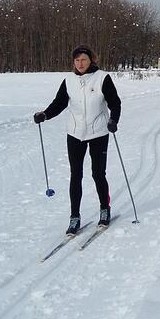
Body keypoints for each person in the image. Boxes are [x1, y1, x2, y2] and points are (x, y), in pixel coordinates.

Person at [34, 45, 121, 235]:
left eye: (83, 59)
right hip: (75, 134)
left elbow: (115, 102)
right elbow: (59, 103)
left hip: (99, 132)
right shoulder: (69, 80)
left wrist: (114, 120)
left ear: (91, 60)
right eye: (77, 60)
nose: (80, 63)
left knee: (98, 173)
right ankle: (75, 217)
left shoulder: (102, 78)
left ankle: (104, 209)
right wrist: (45, 114)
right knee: (76, 175)